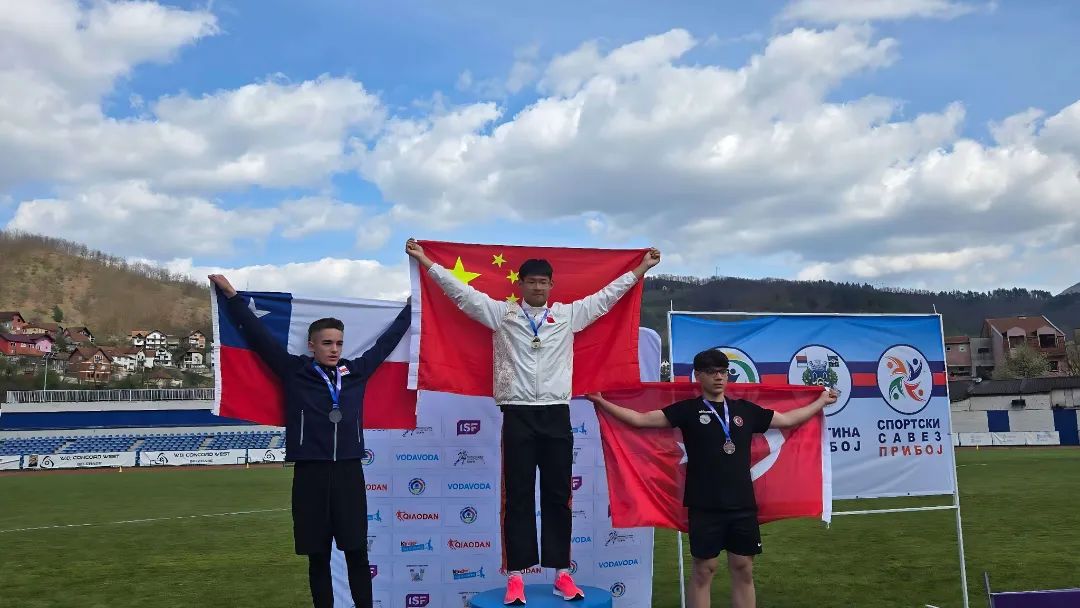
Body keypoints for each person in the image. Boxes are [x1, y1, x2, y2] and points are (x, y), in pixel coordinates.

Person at [405, 239, 661, 605]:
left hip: (556, 413)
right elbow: (462, 294)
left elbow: (607, 297)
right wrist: (426, 261)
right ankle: (516, 575)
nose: (538, 287)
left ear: (551, 285)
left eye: (543, 281)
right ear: (521, 284)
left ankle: (561, 573)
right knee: (518, 495)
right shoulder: (501, 314)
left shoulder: (568, 316)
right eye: (531, 281)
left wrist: (641, 269)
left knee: (558, 495)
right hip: (518, 413)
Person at [208, 274, 411, 608]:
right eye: (327, 343)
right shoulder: (294, 371)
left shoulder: (356, 372)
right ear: (312, 345)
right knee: (318, 556)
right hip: (310, 473)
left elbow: (386, 343)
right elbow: (258, 336)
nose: (334, 349)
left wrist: (410, 310)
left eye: (339, 343)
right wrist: (232, 297)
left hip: (348, 472)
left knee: (357, 552)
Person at [586, 349, 837, 608]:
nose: (719, 377)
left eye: (723, 372)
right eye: (711, 372)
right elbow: (640, 420)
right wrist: (601, 402)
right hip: (704, 505)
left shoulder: (744, 410)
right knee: (704, 569)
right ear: (698, 376)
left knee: (743, 567)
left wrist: (820, 402)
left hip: (742, 504)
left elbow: (787, 420)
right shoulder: (687, 410)